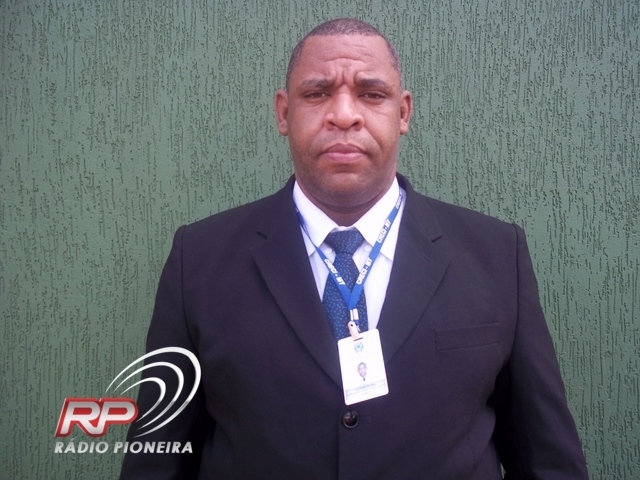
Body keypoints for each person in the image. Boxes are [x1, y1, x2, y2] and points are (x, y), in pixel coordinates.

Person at [120, 18, 589, 479]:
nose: (344, 115)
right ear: (283, 112)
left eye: (372, 94)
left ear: (403, 112)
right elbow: (157, 459)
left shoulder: (496, 255)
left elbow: (548, 461)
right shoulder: (199, 259)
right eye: (317, 93)